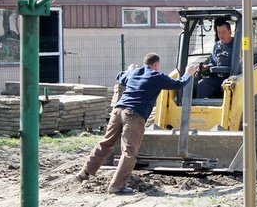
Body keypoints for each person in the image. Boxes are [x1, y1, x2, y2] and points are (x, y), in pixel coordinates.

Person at [74, 52, 197, 194]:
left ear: (145, 63)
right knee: (129, 152)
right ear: (156, 64)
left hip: (117, 111)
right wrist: (189, 73)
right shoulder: (156, 76)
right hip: (134, 115)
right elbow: (178, 84)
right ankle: (116, 186)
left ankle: (85, 172)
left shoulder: (133, 73)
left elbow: (120, 77)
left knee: (106, 143)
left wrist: (129, 69)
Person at [195, 21, 234, 98]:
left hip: (231, 77)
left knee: (227, 87)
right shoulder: (217, 46)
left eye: (223, 32)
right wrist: (206, 67)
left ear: (230, 31)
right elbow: (213, 62)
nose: (221, 35)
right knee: (202, 84)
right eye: (219, 33)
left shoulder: (237, 44)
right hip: (217, 77)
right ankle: (199, 107)